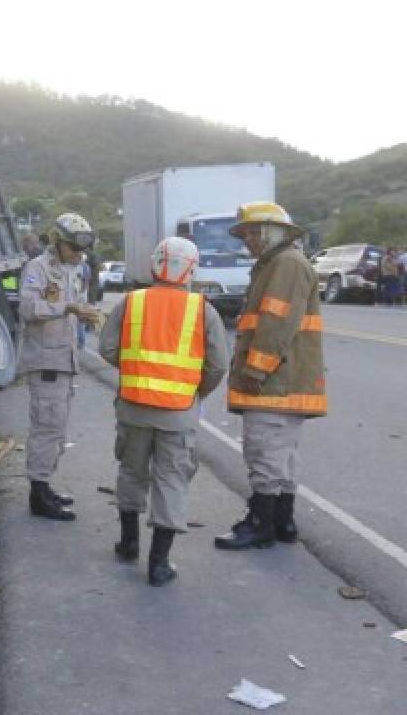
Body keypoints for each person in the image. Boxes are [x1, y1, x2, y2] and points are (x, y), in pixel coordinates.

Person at [99, 237, 228, 585]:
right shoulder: (203, 309)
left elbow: (107, 349)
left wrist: (136, 370)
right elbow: (217, 366)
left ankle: (128, 545)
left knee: (131, 473)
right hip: (178, 413)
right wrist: (192, 391)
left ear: (155, 264)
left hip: (134, 409)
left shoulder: (131, 302)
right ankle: (158, 564)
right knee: (171, 481)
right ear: (191, 269)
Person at [215, 202, 326, 550]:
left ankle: (261, 524)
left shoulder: (284, 264)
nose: (245, 240)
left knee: (263, 450)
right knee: (282, 454)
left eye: (250, 232)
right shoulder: (278, 263)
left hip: (273, 381)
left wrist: (255, 369)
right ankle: (282, 522)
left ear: (269, 231)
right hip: (285, 379)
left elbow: (276, 322)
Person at [19, 212, 100, 520]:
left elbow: (74, 303)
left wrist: (83, 313)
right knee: (46, 426)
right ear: (57, 242)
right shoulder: (37, 268)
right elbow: (27, 308)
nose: (80, 254)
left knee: (57, 427)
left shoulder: (76, 269)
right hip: (45, 360)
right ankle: (38, 495)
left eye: (83, 250)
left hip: (65, 358)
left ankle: (45, 485)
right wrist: (65, 307)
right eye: (74, 248)